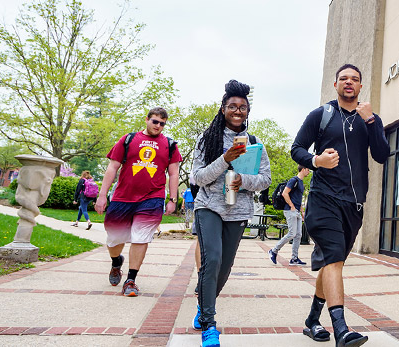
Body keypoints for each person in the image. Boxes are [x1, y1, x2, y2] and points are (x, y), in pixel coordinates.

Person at [290, 64, 389, 347]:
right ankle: (342, 330)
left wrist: (371, 122)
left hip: (354, 204)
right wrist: (316, 160)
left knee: (333, 263)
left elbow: (382, 155)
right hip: (323, 198)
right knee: (333, 258)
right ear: (335, 85)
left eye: (355, 79)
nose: (349, 82)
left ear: (360, 87)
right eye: (344, 78)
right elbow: (296, 148)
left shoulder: (370, 119)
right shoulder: (321, 115)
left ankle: (312, 321)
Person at [191, 80, 271, 347]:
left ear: (248, 111)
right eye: (232, 106)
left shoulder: (255, 143)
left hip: (238, 210)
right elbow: (199, 177)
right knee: (211, 260)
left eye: (243, 107)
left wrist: (242, 181)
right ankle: (209, 325)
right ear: (223, 108)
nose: (238, 111)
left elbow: (265, 179)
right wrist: (225, 159)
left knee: (224, 268)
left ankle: (203, 306)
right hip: (209, 207)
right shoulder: (207, 138)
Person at [95, 107, 181, 297]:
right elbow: (112, 167)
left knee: (141, 237)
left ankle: (131, 280)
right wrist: (102, 195)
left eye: (162, 123)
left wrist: (172, 199)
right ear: (147, 120)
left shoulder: (170, 145)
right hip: (122, 197)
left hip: (152, 197)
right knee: (114, 238)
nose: (158, 126)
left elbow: (174, 174)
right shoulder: (128, 139)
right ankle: (116, 261)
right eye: (155, 121)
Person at [268, 165, 310, 265]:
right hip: (290, 210)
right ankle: (274, 250)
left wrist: (302, 211)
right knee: (292, 233)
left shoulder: (301, 182)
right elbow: (285, 193)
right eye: (308, 170)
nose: (309, 172)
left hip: (296, 211)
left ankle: (294, 259)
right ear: (303, 169)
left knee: (298, 235)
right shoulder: (294, 180)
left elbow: (298, 198)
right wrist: (291, 206)